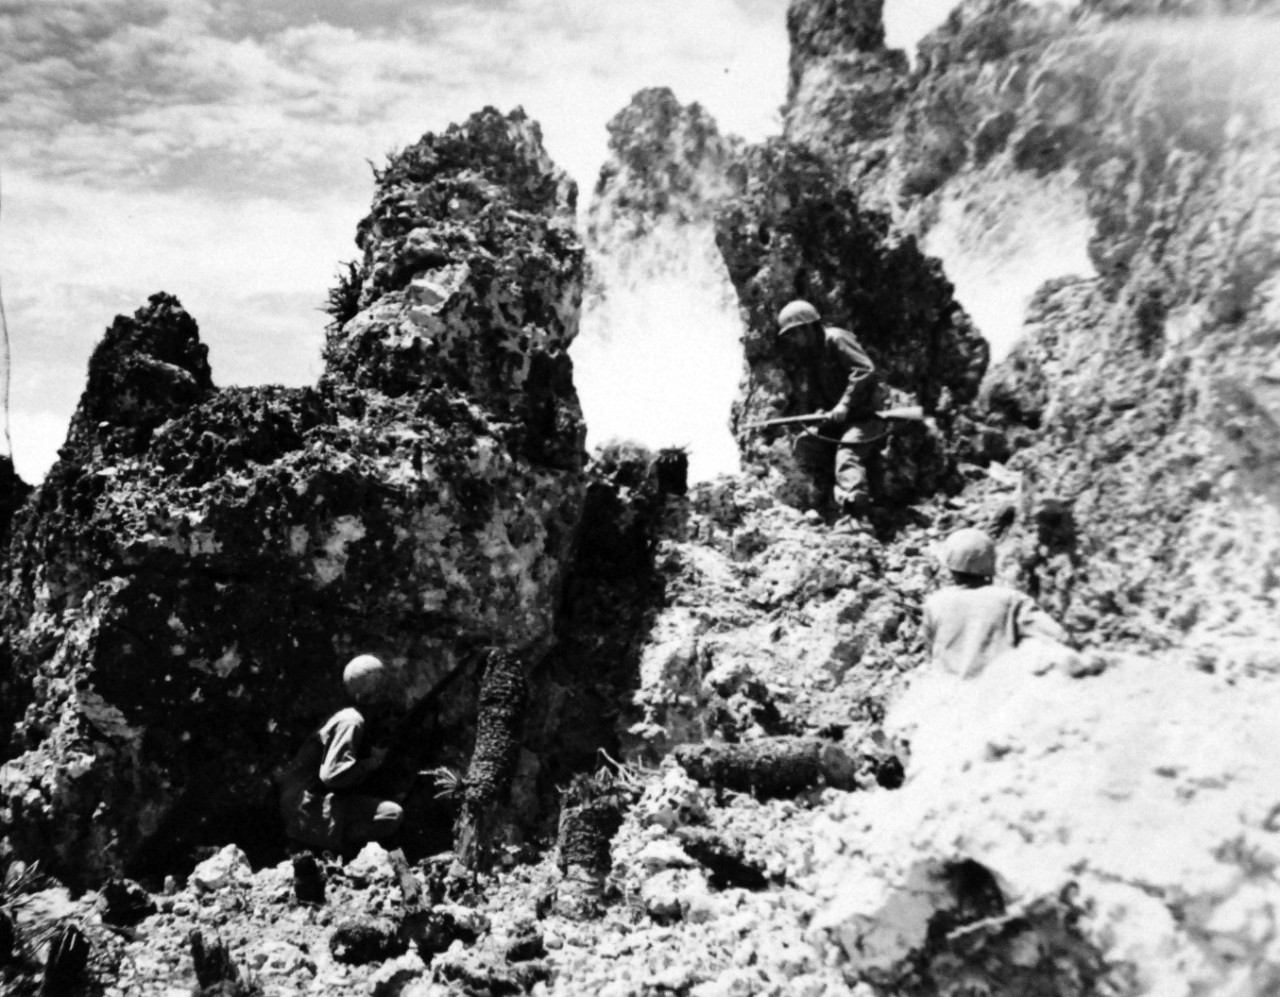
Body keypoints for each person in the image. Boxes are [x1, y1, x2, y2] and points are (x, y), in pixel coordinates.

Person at [278, 654, 404, 854]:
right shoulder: (351, 720)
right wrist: (370, 764)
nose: (385, 690)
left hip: (307, 805)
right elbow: (333, 775)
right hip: (309, 808)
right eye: (380, 684)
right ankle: (334, 850)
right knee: (391, 814)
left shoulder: (347, 715)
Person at [776, 299, 885, 515]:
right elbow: (819, 394)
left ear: (808, 328)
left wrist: (845, 403)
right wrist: (820, 412)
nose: (794, 340)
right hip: (841, 420)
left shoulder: (836, 338)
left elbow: (865, 370)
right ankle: (832, 496)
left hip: (866, 416)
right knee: (806, 444)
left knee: (847, 453)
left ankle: (856, 514)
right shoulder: (813, 354)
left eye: (795, 333)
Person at [921, 528, 1071, 678]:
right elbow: (1056, 634)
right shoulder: (1012, 599)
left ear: (951, 566)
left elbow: (931, 654)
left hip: (948, 694)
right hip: (994, 692)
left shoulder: (935, 602)